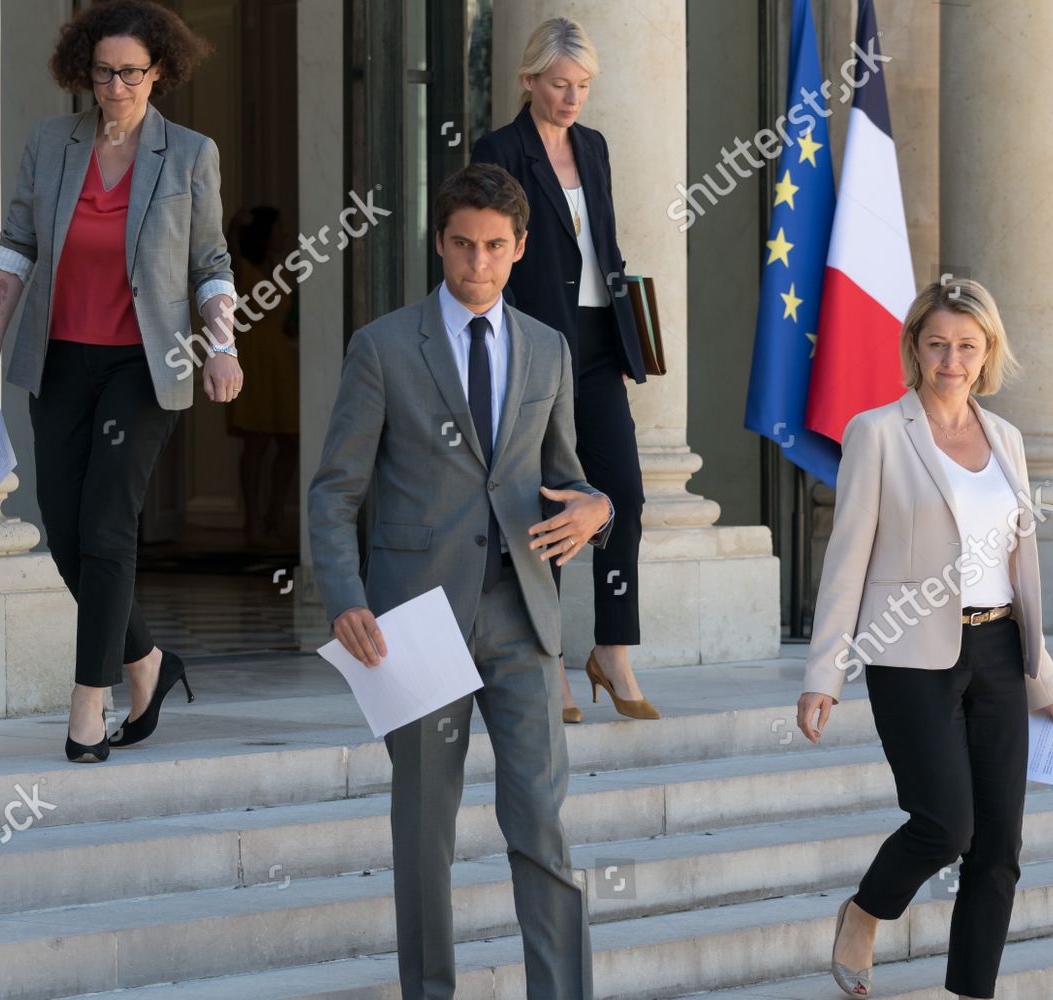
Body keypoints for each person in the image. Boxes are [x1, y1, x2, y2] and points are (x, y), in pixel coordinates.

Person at [308, 162, 612, 999]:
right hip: (414, 624)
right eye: (461, 245)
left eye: (493, 248)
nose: (476, 263)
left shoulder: (548, 349)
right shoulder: (381, 347)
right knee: (423, 834)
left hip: (522, 619)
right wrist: (346, 599)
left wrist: (599, 510)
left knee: (542, 826)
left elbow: (568, 477)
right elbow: (335, 492)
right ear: (438, 243)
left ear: (519, 249)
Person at [0, 0, 239, 763]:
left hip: (144, 365)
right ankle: (148, 659)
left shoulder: (188, 154)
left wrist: (223, 346)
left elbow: (209, 263)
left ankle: (91, 701)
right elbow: (16, 248)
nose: (116, 86)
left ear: (160, 73)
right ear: (84, 70)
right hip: (59, 357)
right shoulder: (51, 143)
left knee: (109, 523)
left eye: (132, 73)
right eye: (104, 71)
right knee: (66, 528)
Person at [794, 279, 1053, 1000]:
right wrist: (823, 672)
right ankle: (865, 910)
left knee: (1000, 850)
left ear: (988, 353)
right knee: (947, 825)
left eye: (968, 346)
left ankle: (968, 993)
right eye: (939, 343)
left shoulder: (1005, 437)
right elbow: (847, 557)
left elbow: (1023, 570)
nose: (953, 359)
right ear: (915, 347)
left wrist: (1042, 675)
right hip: (909, 656)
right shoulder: (878, 432)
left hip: (1000, 653)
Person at [471, 16, 656, 723]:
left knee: (625, 497)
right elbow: (492, 253)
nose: (573, 97)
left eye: (582, 85)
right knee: (550, 502)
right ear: (528, 81)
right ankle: (546, 661)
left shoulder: (595, 147)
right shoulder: (501, 150)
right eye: (560, 84)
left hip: (602, 339)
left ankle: (613, 648)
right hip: (537, 343)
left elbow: (602, 240)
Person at [225, 206, 300, 552]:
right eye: (278, 229)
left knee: (289, 441)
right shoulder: (242, 268)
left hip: (279, 360)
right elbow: (223, 256)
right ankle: (252, 521)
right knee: (255, 444)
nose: (283, 235)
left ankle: (275, 515)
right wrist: (234, 226)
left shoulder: (280, 270)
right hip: (252, 359)